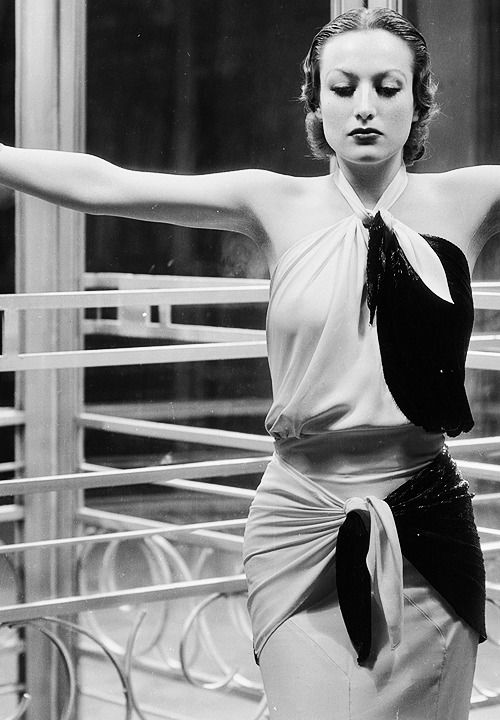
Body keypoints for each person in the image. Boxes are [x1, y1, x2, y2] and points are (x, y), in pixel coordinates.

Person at [0, 7, 493, 719]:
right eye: (343, 87)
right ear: (315, 101)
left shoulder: (469, 199)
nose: (365, 106)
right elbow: (105, 184)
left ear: (418, 101)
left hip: (428, 526)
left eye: (388, 87)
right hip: (300, 523)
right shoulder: (272, 202)